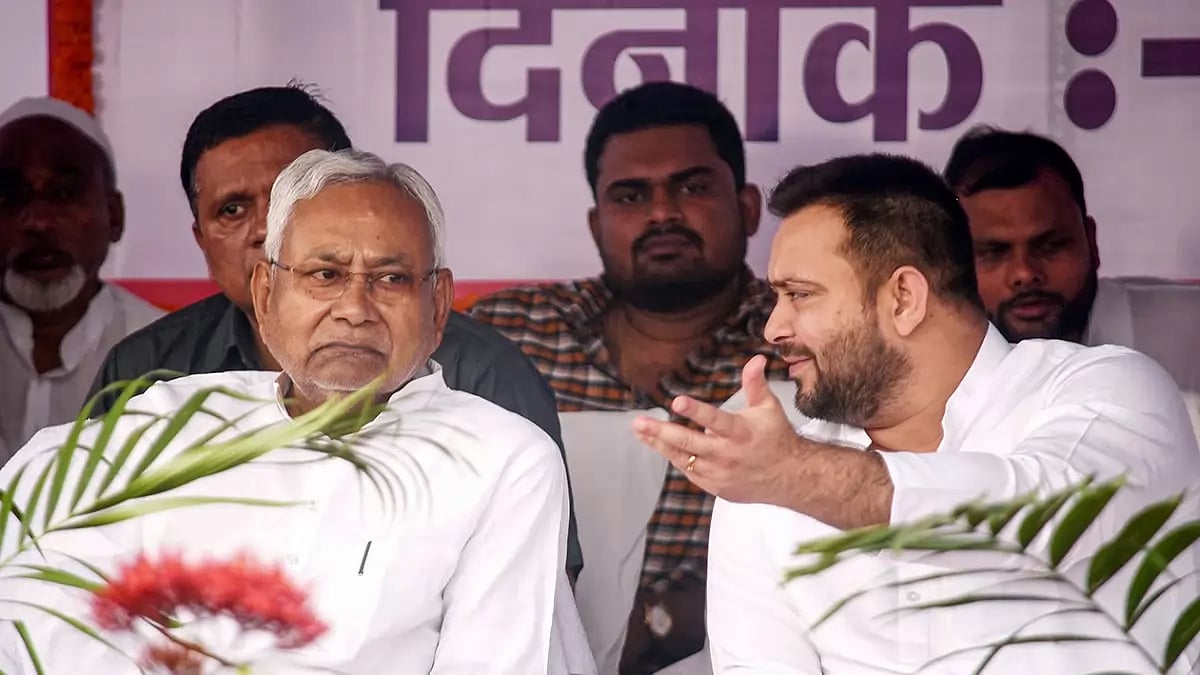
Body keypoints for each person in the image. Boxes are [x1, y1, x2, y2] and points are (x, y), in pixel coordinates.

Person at [0, 149, 573, 673]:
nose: (354, 309)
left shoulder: (501, 458)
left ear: (438, 306)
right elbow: (31, 575)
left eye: (391, 279)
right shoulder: (174, 416)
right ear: (268, 296)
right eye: (325, 275)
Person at [632, 154, 1200, 673]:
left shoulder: (1108, 389)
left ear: (904, 298)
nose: (774, 328)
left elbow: (1042, 516)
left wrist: (796, 476)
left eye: (800, 295)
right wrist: (784, 477)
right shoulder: (767, 486)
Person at [85, 85, 582, 578]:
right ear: (203, 239)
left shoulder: (485, 379)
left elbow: (533, 602)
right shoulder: (146, 379)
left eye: (292, 190)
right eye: (232, 209)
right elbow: (83, 574)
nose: (264, 228)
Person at [470, 81, 790, 672]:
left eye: (692, 187)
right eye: (631, 195)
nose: (663, 213)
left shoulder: (798, 342)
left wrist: (675, 616)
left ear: (747, 207)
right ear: (596, 224)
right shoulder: (512, 334)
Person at [944, 126, 1200, 390]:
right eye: (993, 253)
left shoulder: (1191, 331)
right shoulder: (927, 372)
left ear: (1091, 242)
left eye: (1050, 246)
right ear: (950, 263)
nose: (1024, 272)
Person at [0, 97, 162, 462]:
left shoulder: (166, 354)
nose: (37, 222)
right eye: (8, 196)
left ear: (114, 216)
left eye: (64, 193)